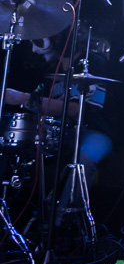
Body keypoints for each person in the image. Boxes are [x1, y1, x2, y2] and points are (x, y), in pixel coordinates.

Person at [3, 31, 114, 213]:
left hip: (94, 130)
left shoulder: (93, 62)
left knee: (85, 156)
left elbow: (76, 109)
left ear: (58, 37)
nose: (34, 50)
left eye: (38, 41)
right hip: (57, 134)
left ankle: (65, 221)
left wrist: (24, 98)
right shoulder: (48, 70)